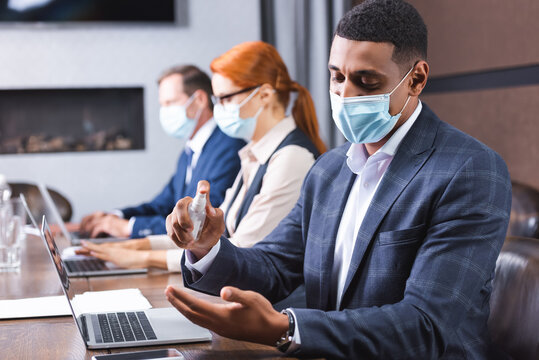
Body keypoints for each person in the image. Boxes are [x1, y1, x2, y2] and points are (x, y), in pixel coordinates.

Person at [163, 1, 512, 359]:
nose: (344, 94)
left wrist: (288, 329)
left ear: (416, 79)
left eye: (366, 81)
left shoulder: (470, 170)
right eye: (337, 76)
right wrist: (207, 248)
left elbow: (426, 324)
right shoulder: (329, 169)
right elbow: (275, 265)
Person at [78, 42, 326, 274]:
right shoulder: (255, 153)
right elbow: (214, 234)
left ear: (264, 95)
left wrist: (142, 258)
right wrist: (134, 246)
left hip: (273, 303)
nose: (218, 108)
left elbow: (239, 248)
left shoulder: (290, 158)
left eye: (226, 99)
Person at [79, 65, 245, 242]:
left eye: (170, 103)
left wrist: (128, 227)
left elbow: (200, 220)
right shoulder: (190, 151)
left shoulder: (229, 147)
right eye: (162, 105)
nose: (165, 112)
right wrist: (114, 216)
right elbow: (163, 205)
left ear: (200, 100)